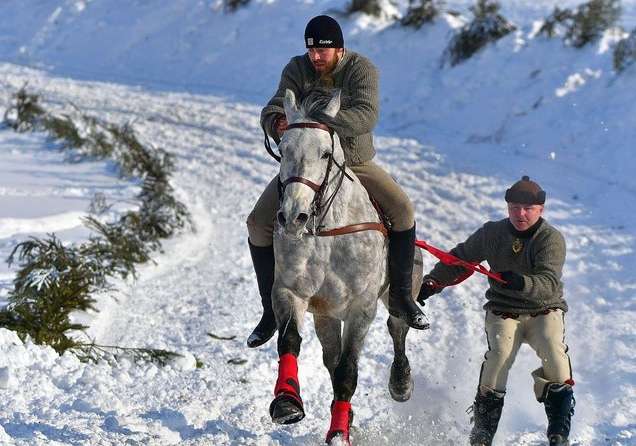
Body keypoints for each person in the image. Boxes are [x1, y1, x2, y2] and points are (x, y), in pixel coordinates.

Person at [245, 14, 424, 349]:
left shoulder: (362, 69)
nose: (316, 58)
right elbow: (271, 107)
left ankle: (401, 297)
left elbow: (366, 115)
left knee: (403, 211)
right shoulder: (296, 69)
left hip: (354, 162)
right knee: (257, 224)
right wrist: (278, 122)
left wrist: (320, 121)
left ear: (340, 49)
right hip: (308, 166)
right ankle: (271, 311)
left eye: (323, 52)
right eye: (311, 51)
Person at [417, 176, 575, 446]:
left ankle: (558, 430)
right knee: (498, 355)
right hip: (504, 311)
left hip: (544, 310)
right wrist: (433, 282)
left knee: (553, 349)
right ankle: (482, 434)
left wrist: (522, 282)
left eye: (528, 209)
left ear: (541, 209)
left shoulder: (551, 239)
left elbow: (548, 283)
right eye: (514, 207)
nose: (520, 214)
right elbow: (460, 259)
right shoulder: (492, 233)